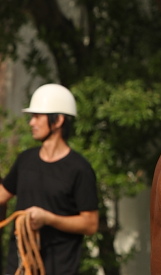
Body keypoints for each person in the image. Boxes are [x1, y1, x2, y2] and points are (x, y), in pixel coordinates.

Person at [0, 84, 98, 275]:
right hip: (19, 266)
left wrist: (49, 219)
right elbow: (2, 195)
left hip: (60, 268)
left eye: (37, 117)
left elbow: (90, 224)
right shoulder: (25, 160)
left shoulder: (79, 169)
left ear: (58, 120)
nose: (31, 123)